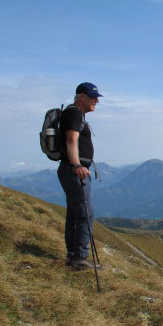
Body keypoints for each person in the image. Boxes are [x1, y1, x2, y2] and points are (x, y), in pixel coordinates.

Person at [57, 82, 103, 270]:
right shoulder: (75, 113)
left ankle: (72, 254)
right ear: (81, 97)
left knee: (75, 214)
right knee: (85, 214)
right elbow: (71, 139)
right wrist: (77, 164)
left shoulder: (73, 113)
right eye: (93, 97)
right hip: (75, 171)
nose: (96, 101)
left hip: (71, 170)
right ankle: (80, 258)